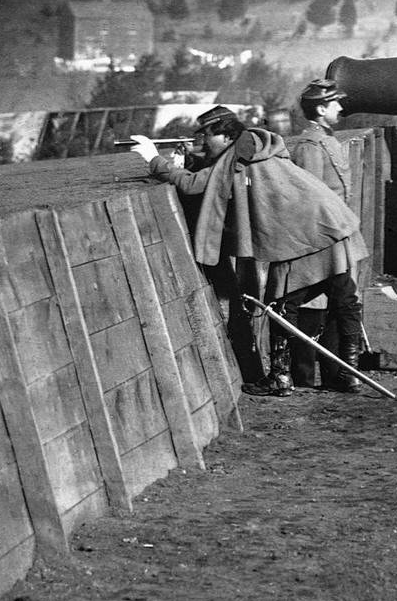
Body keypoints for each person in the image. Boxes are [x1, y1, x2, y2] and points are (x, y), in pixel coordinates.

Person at [130, 105, 368, 397]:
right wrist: (192, 158)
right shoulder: (256, 144)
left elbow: (195, 185)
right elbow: (220, 172)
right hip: (329, 224)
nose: (205, 142)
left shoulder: (235, 157)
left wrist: (154, 159)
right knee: (345, 299)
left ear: (226, 135)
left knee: (280, 306)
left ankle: (281, 378)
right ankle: (349, 374)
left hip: (300, 238)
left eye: (207, 136)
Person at [288, 78, 359, 391]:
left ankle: (340, 374)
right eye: (335, 104)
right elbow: (311, 197)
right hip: (320, 241)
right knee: (305, 304)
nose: (341, 108)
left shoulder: (326, 140)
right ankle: (302, 376)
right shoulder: (309, 146)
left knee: (339, 303)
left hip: (336, 237)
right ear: (320, 109)